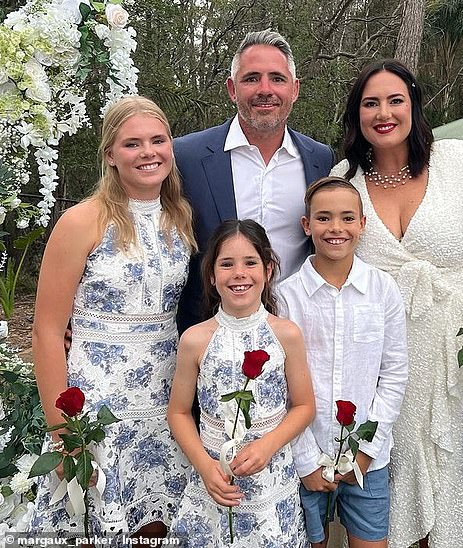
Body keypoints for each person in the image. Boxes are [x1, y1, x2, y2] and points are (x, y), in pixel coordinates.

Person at [331, 59, 463, 548]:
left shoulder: (460, 162)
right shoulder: (344, 178)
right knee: (388, 462)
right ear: (356, 114)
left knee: (452, 467)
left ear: (414, 106)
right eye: (370, 103)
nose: (383, 113)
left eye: (395, 100)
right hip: (379, 353)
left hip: (454, 349)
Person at [30, 96, 197, 538]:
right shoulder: (82, 221)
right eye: (132, 144)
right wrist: (62, 432)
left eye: (158, 141)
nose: (148, 153)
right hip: (99, 403)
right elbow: (47, 330)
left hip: (165, 398)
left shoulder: (180, 218)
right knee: (92, 522)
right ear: (110, 154)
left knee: (155, 524)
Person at [174, 29, 336, 333]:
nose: (265, 89)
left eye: (277, 78)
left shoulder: (320, 159)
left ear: (294, 89)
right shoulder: (186, 156)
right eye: (251, 79)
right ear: (232, 89)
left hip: (296, 332)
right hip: (208, 336)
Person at [167, 219, 315, 547]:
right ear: (211, 275)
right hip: (213, 481)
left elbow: (304, 407)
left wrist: (268, 445)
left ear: (268, 270)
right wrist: (204, 467)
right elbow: (178, 412)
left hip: (271, 479)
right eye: (226, 264)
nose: (239, 273)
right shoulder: (195, 339)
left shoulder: (286, 334)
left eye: (250, 263)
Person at [278, 177, 408, 548]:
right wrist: (305, 460)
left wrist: (367, 449)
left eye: (348, 218)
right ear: (307, 225)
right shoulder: (286, 296)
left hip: (368, 459)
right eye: (323, 218)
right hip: (303, 455)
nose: (336, 228)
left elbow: (394, 373)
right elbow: (281, 384)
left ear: (363, 224)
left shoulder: (383, 289)